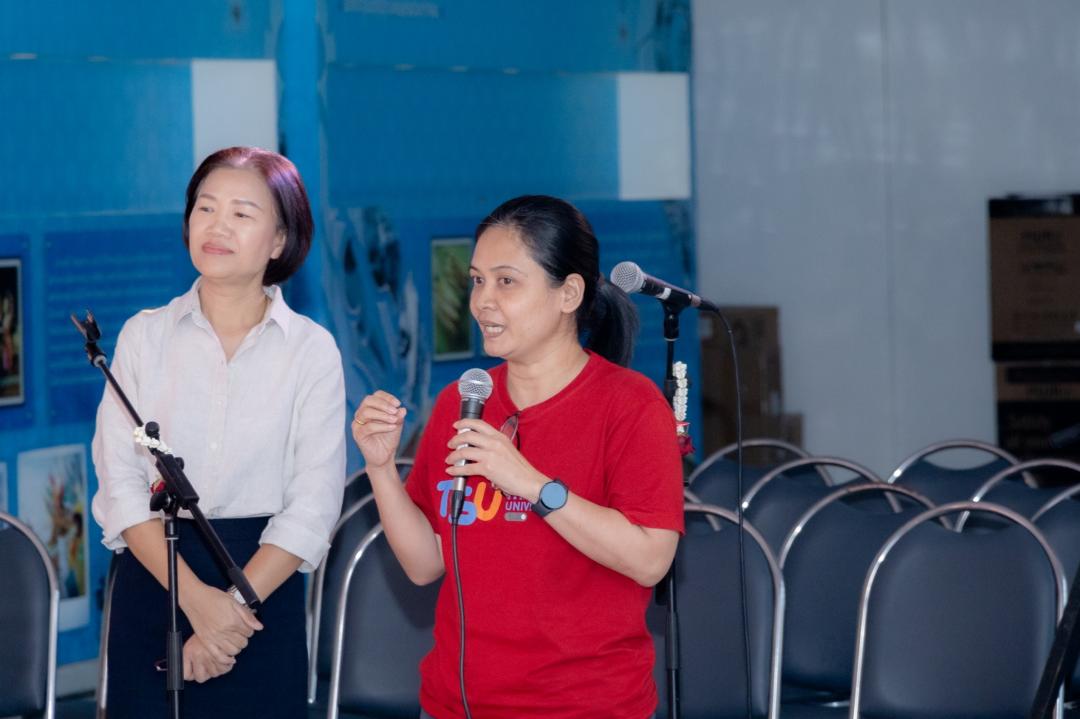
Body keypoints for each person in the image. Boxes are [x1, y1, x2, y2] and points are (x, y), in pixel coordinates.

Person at [352, 195, 684, 719]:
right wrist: (380, 468)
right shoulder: (462, 402)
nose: (482, 301)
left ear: (568, 293)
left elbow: (650, 561)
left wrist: (531, 485)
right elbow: (424, 564)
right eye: (476, 280)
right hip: (453, 704)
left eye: (506, 281)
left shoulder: (630, 405)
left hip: (583, 707)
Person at [91, 146, 346, 718]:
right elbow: (121, 486)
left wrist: (228, 615)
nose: (217, 226)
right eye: (205, 208)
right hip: (156, 575)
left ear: (280, 240)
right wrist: (198, 604)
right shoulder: (143, 337)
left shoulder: (311, 352)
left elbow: (312, 505)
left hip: (261, 589)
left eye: (241, 213)